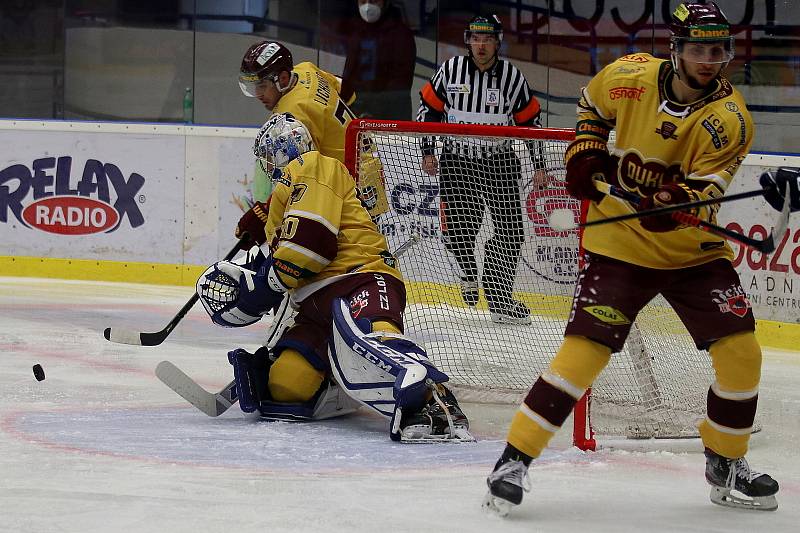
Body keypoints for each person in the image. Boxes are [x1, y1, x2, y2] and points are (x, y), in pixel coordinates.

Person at [483, 2, 780, 516]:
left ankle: (726, 462)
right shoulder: (628, 77)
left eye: (717, 50)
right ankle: (513, 461)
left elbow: (705, 192)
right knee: (583, 355)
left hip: (692, 253)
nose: (709, 59)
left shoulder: (730, 121)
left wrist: (676, 203)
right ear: (676, 49)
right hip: (619, 244)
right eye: (698, 48)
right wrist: (585, 153)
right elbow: (591, 109)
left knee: (742, 354)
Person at [197, 112, 473, 443]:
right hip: (314, 307)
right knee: (285, 384)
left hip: (360, 279)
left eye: (268, 159)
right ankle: (338, 376)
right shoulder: (280, 210)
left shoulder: (315, 166)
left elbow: (312, 245)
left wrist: (261, 287)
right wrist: (247, 290)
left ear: (280, 152)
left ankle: (439, 402)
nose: (267, 169)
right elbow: (282, 266)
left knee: (373, 342)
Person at [416, 14, 546, 325]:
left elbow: (531, 123)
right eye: (475, 38)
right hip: (458, 161)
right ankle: (468, 268)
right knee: (459, 229)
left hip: (499, 161)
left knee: (512, 233)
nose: (481, 45)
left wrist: (540, 166)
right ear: (468, 40)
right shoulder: (450, 70)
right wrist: (428, 149)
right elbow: (427, 110)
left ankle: (499, 299)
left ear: (498, 41)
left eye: (487, 39)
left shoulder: (512, 77)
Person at [236, 40, 387, 247]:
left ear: (282, 78)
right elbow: (348, 92)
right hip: (369, 168)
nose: (258, 95)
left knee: (342, 258)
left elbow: (297, 179)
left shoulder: (292, 115)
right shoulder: (306, 70)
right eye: (254, 86)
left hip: (352, 186)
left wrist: (264, 212)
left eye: (262, 86)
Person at [339, 0, 417, 120]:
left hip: (390, 114)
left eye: (374, 0)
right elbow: (349, 73)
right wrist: (344, 102)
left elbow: (400, 82)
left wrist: (372, 108)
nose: (367, 6)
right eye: (363, 1)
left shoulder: (401, 34)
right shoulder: (356, 32)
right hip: (357, 110)